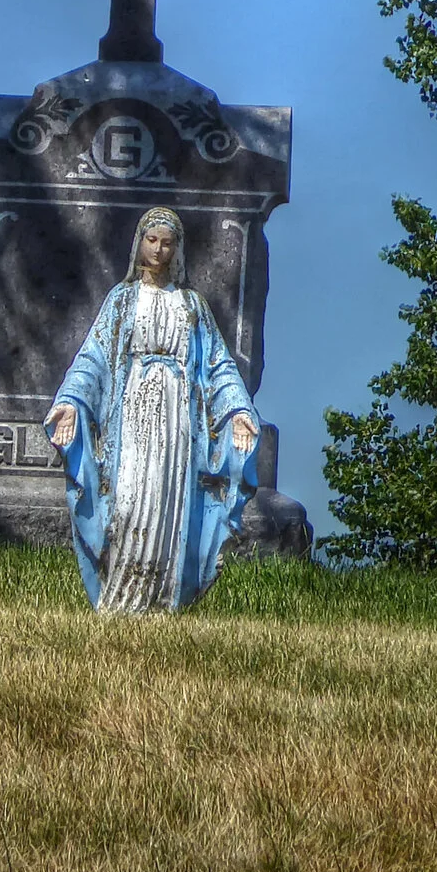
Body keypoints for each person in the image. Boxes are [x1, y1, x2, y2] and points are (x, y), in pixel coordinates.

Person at [44, 207, 260, 611]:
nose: (159, 250)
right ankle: (121, 597)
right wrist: (71, 403)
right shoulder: (122, 301)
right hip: (133, 413)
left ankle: (162, 599)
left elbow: (219, 366)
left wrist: (238, 412)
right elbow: (93, 358)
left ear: (177, 249)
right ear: (139, 244)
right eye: (152, 240)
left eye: (167, 242)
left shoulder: (192, 306)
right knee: (127, 501)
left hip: (178, 417)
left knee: (168, 505)